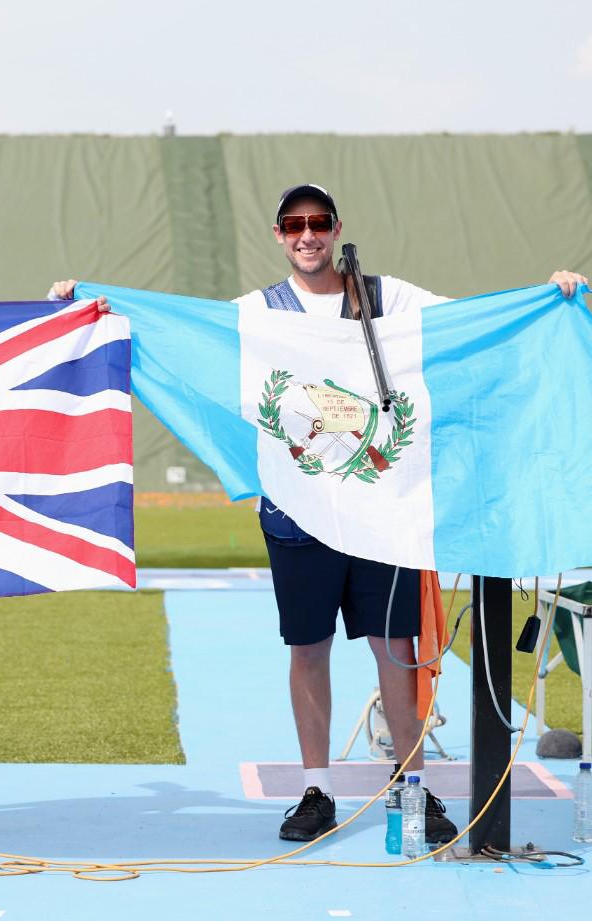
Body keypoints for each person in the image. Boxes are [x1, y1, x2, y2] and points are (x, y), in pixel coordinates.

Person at [50, 182, 587, 844]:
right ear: (278, 235)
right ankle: (318, 789)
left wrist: (548, 296)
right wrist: (97, 303)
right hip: (297, 512)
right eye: (293, 224)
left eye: (319, 222)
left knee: (397, 649)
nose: (307, 234)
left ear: (337, 229)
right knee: (309, 648)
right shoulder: (258, 312)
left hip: (382, 512)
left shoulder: (386, 299)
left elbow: (472, 323)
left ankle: (412, 789)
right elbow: (184, 336)